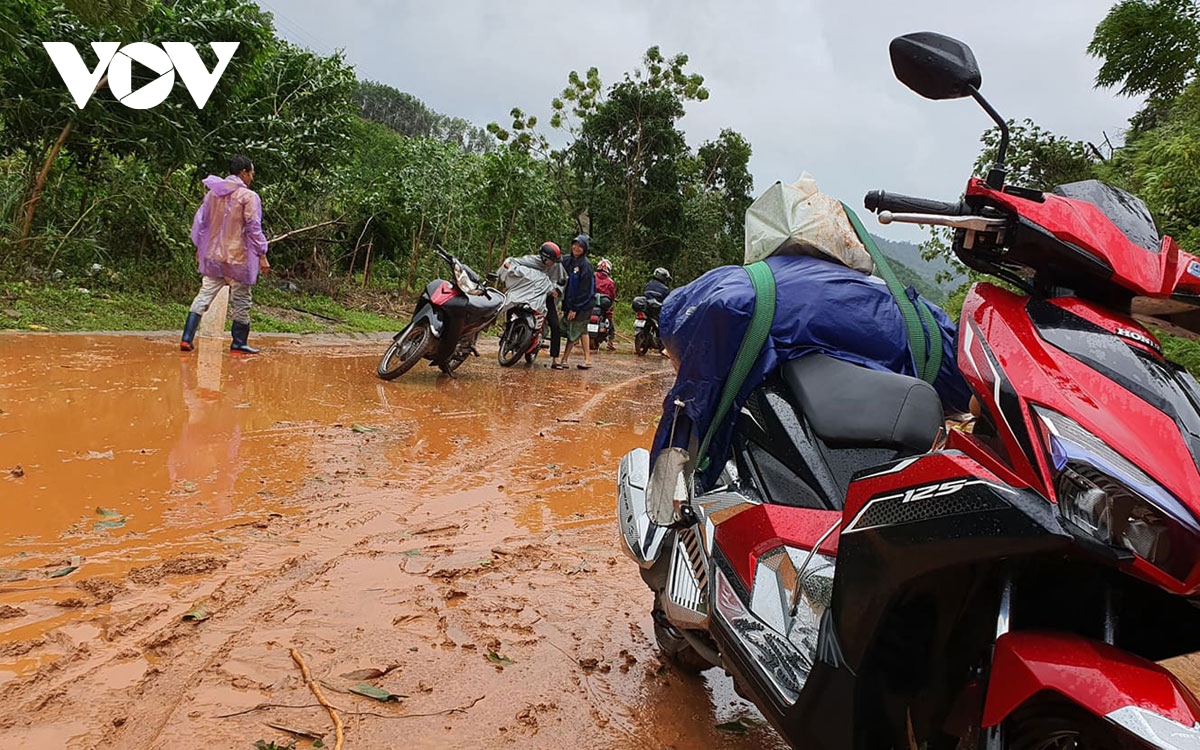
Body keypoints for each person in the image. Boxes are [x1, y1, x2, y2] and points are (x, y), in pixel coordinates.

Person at [650, 190, 970, 492]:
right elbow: (965, 389)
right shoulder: (916, 315)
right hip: (882, 483)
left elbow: (678, 325)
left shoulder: (741, 287)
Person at [179, 155, 270, 354]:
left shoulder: (213, 194)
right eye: (251, 173)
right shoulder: (248, 197)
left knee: (205, 293)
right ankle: (239, 342)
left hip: (213, 255)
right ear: (244, 172)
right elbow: (253, 227)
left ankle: (187, 337)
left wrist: (200, 249)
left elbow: (202, 224)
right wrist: (262, 254)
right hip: (238, 256)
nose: (252, 177)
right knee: (241, 298)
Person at [560, 234, 595, 370]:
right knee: (582, 330)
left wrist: (574, 308)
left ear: (584, 249)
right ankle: (587, 359)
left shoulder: (586, 266)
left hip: (583, 305)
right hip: (570, 302)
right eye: (575, 244)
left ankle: (564, 359)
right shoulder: (567, 260)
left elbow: (585, 291)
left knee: (573, 330)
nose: (576, 248)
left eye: (580, 246)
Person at [594, 258, 616, 351]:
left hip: (590, 303)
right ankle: (610, 341)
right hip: (603, 306)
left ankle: (576, 340)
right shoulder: (610, 282)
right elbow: (612, 296)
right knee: (609, 318)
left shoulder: (592, 276)